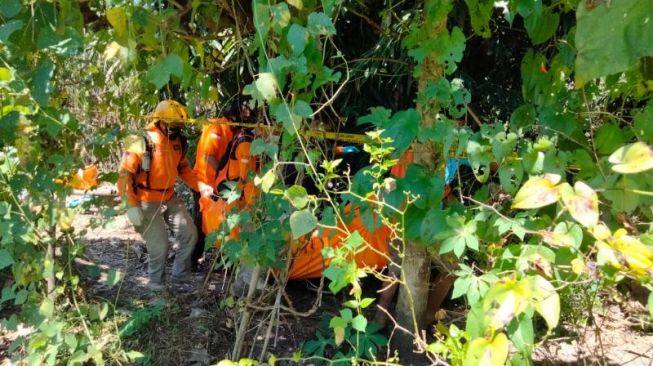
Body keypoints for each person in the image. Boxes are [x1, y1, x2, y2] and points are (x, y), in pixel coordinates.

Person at [117, 100, 213, 291]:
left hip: (168, 196)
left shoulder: (177, 142)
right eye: (172, 125)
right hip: (145, 199)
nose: (175, 130)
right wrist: (131, 204)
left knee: (189, 234)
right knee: (159, 245)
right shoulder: (141, 141)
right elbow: (124, 176)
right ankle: (156, 285)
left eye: (178, 126)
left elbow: (183, 169)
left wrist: (200, 186)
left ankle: (180, 276)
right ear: (159, 121)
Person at [192, 98, 258, 268]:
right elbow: (209, 157)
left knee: (215, 224)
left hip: (217, 183)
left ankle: (216, 261)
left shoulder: (233, 130)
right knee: (203, 226)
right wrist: (219, 181)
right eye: (245, 112)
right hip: (205, 182)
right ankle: (191, 261)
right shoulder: (218, 128)